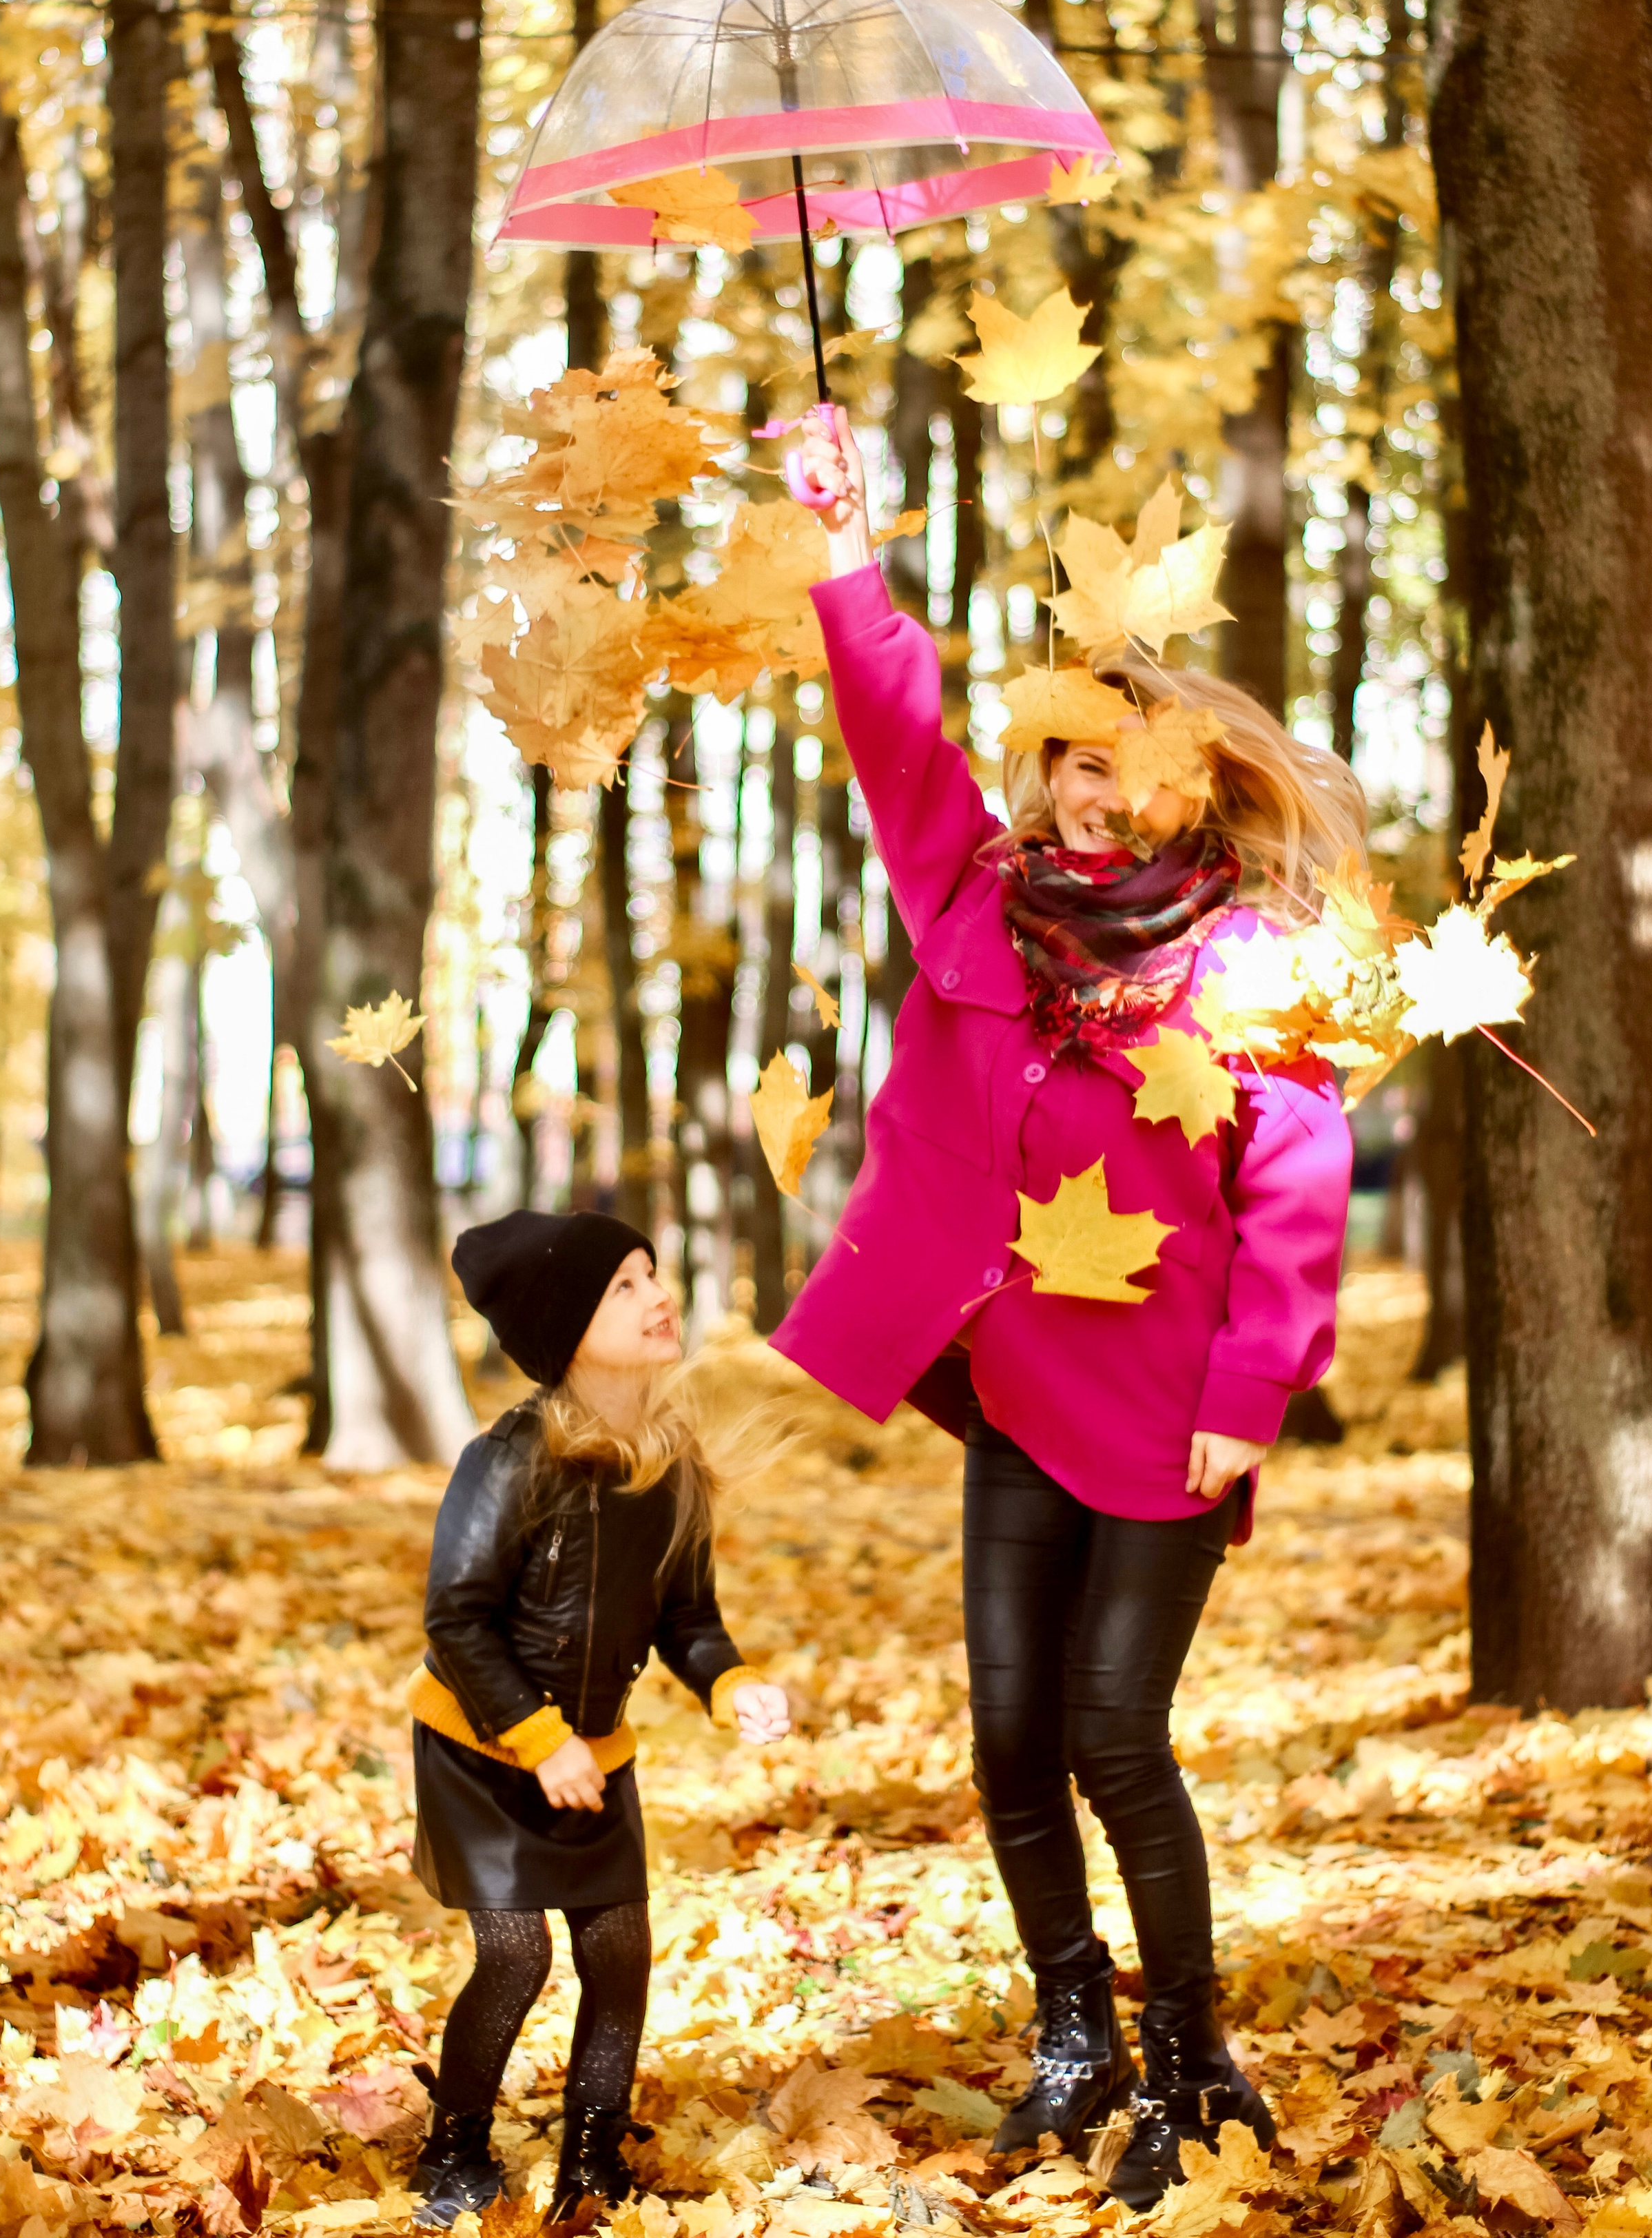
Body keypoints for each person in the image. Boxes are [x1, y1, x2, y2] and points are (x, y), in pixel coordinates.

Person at [772, 409, 1363, 2210]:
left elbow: (1300, 1176)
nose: (1089, 797)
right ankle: (1071, 2037)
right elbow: (892, 734)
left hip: (1177, 1395)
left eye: (1124, 770)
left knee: (1117, 1732)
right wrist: (841, 547)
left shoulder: (1252, 957)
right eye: (1067, 768)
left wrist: (1256, 1387)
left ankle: (1193, 2058)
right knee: (1011, 1741)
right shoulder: (977, 895)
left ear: (1192, 778)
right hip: (1014, 1378)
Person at [406, 1209, 789, 2230]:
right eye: (624, 1285)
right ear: (566, 1325)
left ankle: (592, 2157)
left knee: (620, 1951)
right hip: (480, 1748)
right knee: (517, 1956)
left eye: (653, 1274)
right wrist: (538, 1737)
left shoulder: (669, 1469)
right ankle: (454, 2151)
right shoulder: (510, 1461)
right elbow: (457, 1617)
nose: (657, 1294)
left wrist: (729, 1682)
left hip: (594, 1753)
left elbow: (689, 1619)